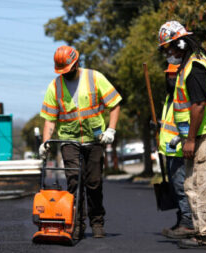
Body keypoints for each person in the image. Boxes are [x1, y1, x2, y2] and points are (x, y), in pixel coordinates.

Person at [158, 21, 206, 249]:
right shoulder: (187, 66)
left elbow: (198, 104)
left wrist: (189, 140)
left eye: (168, 48)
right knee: (191, 185)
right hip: (196, 137)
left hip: (205, 137)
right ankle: (200, 233)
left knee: (202, 186)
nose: (167, 53)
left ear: (179, 44)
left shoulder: (195, 68)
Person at [39, 45, 121, 240]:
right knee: (74, 183)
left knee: (94, 183)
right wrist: (45, 142)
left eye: (68, 69)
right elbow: (50, 119)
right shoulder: (55, 86)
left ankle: (97, 222)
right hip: (69, 140)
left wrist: (111, 129)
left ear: (76, 64)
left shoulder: (94, 78)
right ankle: (76, 224)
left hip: (94, 139)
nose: (65, 74)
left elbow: (115, 103)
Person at [158, 64, 194, 239]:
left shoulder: (183, 96)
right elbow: (171, 122)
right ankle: (181, 220)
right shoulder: (169, 97)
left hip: (180, 149)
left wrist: (181, 138)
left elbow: (186, 120)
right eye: (169, 77)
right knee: (175, 188)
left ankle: (188, 223)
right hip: (169, 149)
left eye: (174, 77)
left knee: (181, 187)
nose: (171, 80)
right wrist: (159, 124)